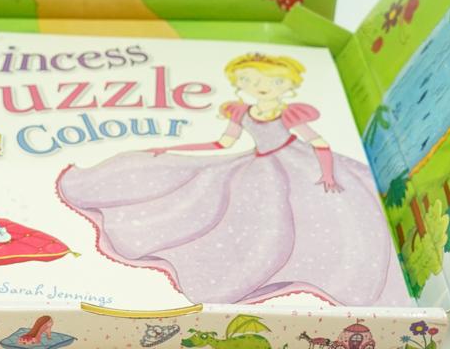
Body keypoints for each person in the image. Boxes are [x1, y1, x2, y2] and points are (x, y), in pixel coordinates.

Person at [57, 53, 409, 306]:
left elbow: (319, 143)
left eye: (273, 82)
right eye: (251, 82)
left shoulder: (288, 113)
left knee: (328, 216)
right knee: (226, 208)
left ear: (289, 85)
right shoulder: (241, 111)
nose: (261, 87)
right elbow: (222, 143)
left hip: (297, 160)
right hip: (260, 163)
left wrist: (327, 173)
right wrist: (173, 148)